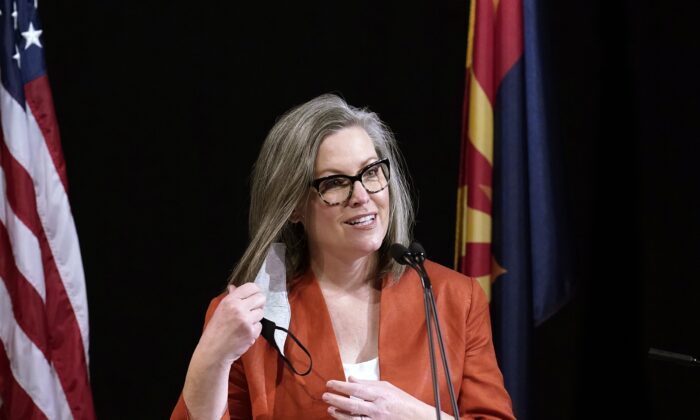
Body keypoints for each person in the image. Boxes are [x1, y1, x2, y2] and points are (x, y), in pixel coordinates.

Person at [171, 94, 514, 419]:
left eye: (371, 172)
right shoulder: (250, 318)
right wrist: (210, 360)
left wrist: (416, 415)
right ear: (294, 206)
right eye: (335, 182)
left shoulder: (454, 298)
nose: (362, 195)